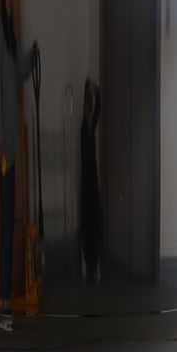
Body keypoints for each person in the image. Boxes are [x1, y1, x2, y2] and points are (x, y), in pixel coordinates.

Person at [0, 0, 36, 314]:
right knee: (6, 217)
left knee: (14, 213)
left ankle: (11, 287)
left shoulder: (12, 32)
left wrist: (32, 54)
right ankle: (4, 291)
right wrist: (0, 141)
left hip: (15, 142)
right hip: (6, 144)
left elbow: (20, 72)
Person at [80, 78, 101, 282]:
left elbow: (97, 110)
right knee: (89, 223)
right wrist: (89, 92)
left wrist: (96, 91)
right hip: (87, 186)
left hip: (92, 185)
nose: (90, 114)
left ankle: (94, 263)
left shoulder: (90, 129)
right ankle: (89, 261)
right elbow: (91, 112)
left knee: (94, 222)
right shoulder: (84, 131)